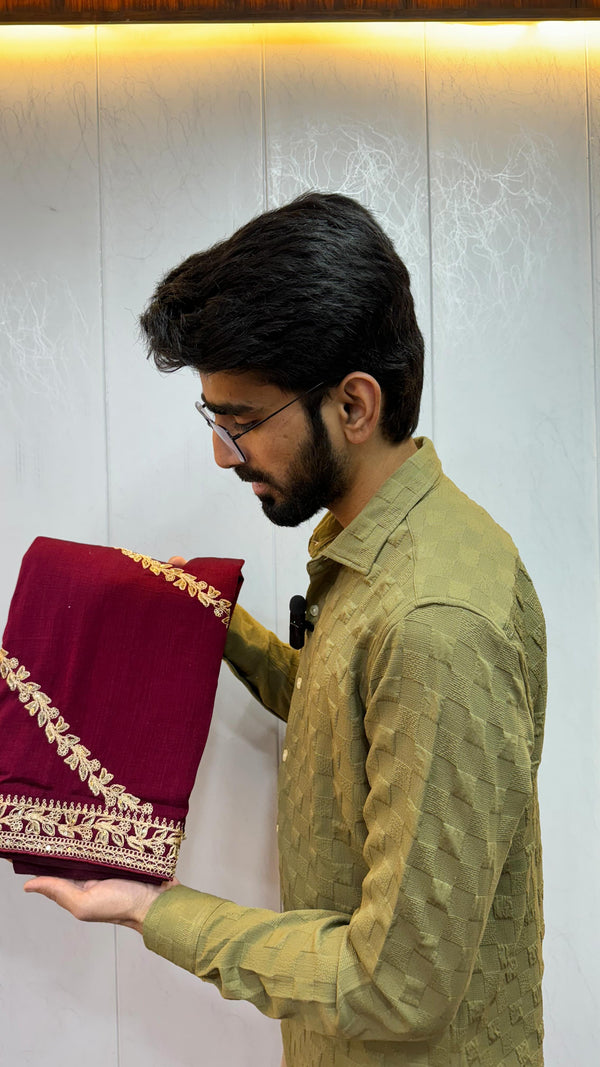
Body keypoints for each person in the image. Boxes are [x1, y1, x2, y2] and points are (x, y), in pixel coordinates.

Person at [24, 193, 546, 1066]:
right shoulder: (371, 548)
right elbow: (350, 713)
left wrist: (154, 908)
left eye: (242, 421)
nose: (224, 455)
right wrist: (206, 618)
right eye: (215, 420)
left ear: (354, 405)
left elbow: (397, 987)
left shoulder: (436, 622)